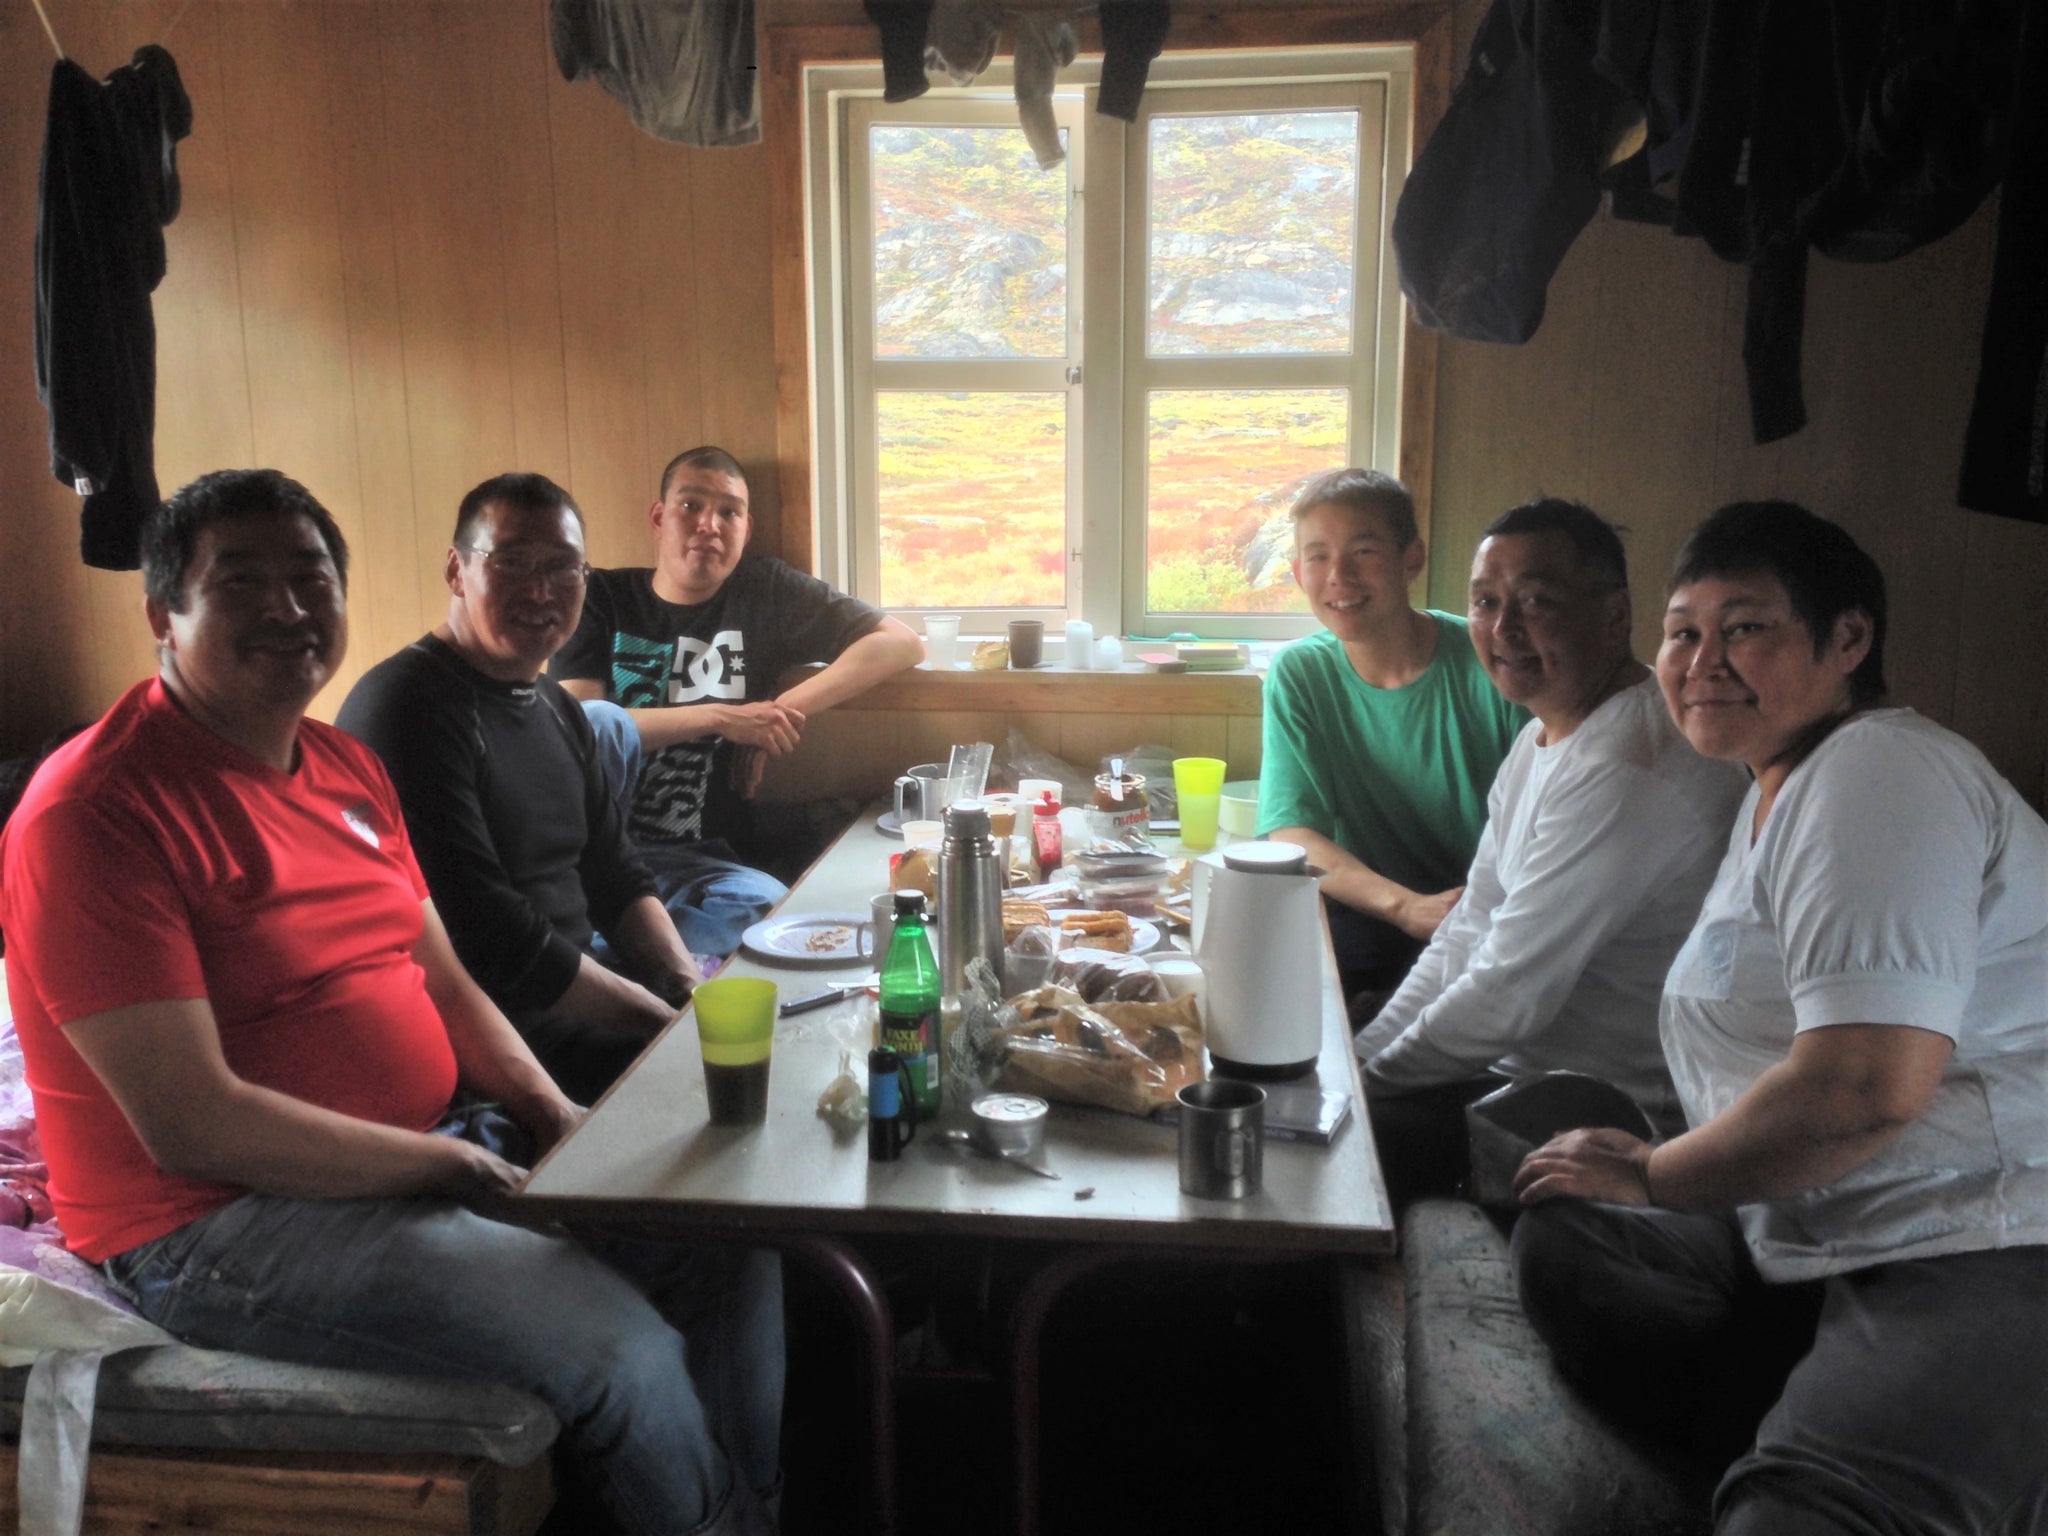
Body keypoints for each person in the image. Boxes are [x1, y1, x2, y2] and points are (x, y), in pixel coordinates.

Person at [0, 470, 784, 1536]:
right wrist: (459, 1165)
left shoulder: (340, 767)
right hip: (221, 1223)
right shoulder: (94, 813)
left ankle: (736, 1501)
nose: (286, 608)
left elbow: (445, 982)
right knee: (617, 1345)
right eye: (241, 582)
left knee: (723, 1239)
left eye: (310, 576)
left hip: (416, 1145)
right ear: (161, 617)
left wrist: (556, 1120)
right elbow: (191, 1124)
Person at [1511, 501, 2048, 1533]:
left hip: (1981, 1232)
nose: (1701, 660)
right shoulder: (1774, 789)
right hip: (1814, 1222)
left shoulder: (1881, 771)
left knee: (1802, 1516)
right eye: (1681, 632)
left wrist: (1656, 1172)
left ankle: (1854, 1446)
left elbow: (1862, 1086)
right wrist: (1644, 1178)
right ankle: (1831, 1400)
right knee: (1570, 1244)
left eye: (1743, 627)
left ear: (1847, 639)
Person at [1352, 499, 1748, 1206]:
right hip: (1505, 1073)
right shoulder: (1544, 738)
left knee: (1318, 1147)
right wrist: (1360, 1059)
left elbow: (1509, 990)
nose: (1504, 629)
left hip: (1585, 1112)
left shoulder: (1629, 766)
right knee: (1317, 1063)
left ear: (1614, 613)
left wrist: (1358, 1086)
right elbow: (1471, 925)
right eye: (1484, 602)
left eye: (1536, 602)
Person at [338, 473, 698, 1104]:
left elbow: (617, 875)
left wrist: (686, 989)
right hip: (495, 1035)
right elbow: (488, 935)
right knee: (716, 1083)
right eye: (513, 563)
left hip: (577, 1000)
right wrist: (660, 1025)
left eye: (563, 567)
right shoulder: (406, 705)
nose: (540, 590)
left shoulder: (555, 706)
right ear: (457, 570)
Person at [553, 446, 924, 956]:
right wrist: (721, 718)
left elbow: (902, 642)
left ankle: (620, 948)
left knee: (765, 907)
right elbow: (581, 726)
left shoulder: (764, 593)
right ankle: (638, 947)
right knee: (600, 721)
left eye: (729, 512)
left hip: (699, 864)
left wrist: (776, 715)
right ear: (659, 518)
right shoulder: (603, 597)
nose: (710, 524)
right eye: (691, 506)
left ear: (746, 530)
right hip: (599, 853)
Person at [1257, 468, 1527, 1007]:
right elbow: (1293, 833)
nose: (1338, 576)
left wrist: (1469, 913)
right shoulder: (1300, 673)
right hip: (1369, 909)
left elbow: (1539, 818)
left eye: (1362, 552)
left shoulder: (1487, 662)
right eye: (1317, 556)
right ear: (1296, 572)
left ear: (1411, 559)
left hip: (1490, 910)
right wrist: (1404, 907)